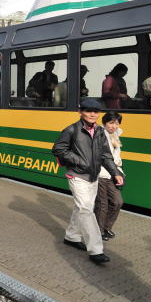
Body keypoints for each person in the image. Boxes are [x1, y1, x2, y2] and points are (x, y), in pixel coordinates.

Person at [52, 97, 123, 265]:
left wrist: (115, 172)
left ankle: (71, 236)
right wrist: (78, 161)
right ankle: (96, 250)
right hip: (77, 175)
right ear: (80, 112)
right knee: (86, 209)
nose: (92, 114)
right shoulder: (72, 130)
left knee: (83, 208)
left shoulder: (99, 131)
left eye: (96, 111)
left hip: (93, 177)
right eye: (88, 111)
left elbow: (106, 154)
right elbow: (58, 149)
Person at [94, 111, 125, 241]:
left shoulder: (115, 136)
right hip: (101, 174)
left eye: (117, 123)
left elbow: (115, 154)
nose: (114, 126)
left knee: (118, 202)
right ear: (104, 123)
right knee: (102, 204)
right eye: (111, 123)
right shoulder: (101, 135)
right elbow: (103, 156)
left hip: (113, 174)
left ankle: (106, 227)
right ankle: (98, 231)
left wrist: (117, 164)